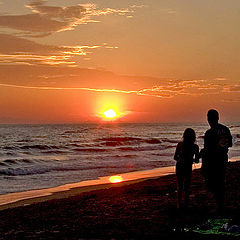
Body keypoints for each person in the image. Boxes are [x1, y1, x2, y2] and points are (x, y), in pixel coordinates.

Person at [201, 109, 232, 213]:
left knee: (213, 183)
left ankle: (219, 206)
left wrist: (202, 156)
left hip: (212, 161)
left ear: (209, 119)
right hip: (222, 159)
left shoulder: (209, 133)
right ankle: (220, 205)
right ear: (218, 118)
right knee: (220, 182)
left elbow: (207, 150)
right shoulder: (225, 129)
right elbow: (229, 144)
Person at [174, 128, 199, 209]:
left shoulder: (180, 145)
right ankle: (186, 204)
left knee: (180, 186)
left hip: (180, 166)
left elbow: (175, 157)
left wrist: (181, 159)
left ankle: (178, 204)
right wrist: (191, 159)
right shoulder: (195, 147)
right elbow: (197, 160)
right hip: (188, 167)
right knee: (187, 186)